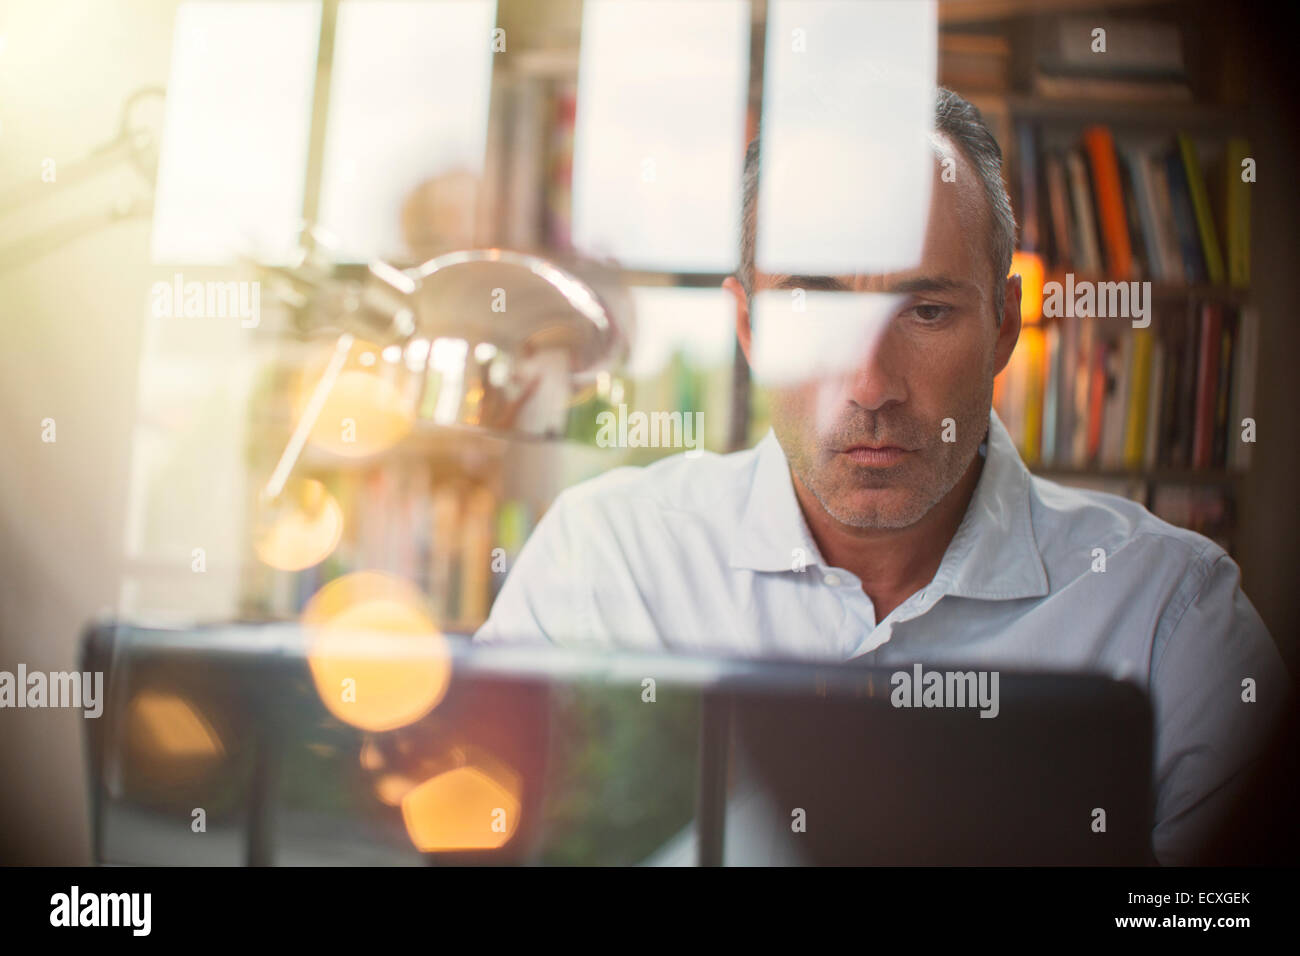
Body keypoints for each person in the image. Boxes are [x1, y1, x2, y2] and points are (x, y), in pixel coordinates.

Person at [474, 88, 1293, 865]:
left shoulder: (1168, 616)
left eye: (926, 311)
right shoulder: (603, 562)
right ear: (750, 325)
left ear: (1005, 326)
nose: (868, 385)